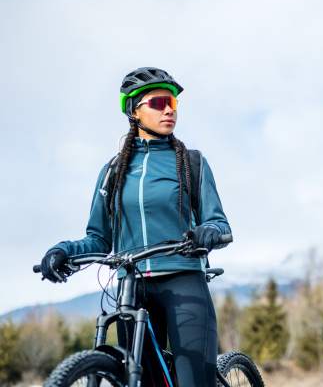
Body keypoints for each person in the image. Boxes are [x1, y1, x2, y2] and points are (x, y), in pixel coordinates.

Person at [39, 67, 231, 386]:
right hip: (132, 287)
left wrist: (208, 233)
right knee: (141, 380)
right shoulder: (113, 171)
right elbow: (98, 239)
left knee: (193, 381)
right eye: (158, 103)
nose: (169, 109)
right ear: (134, 110)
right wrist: (63, 251)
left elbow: (219, 223)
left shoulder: (192, 162)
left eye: (172, 103)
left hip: (184, 281)